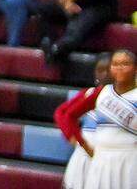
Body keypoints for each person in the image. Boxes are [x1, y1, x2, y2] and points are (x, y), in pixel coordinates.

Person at [58, 49, 136, 189]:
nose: (119, 68)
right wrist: (80, 142)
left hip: (129, 158)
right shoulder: (99, 93)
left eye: (125, 64)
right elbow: (66, 114)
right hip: (99, 157)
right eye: (115, 64)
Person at [53, 53, 113, 189]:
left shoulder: (127, 98)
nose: (104, 74)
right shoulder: (89, 93)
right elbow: (61, 113)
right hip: (86, 155)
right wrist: (75, 138)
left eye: (107, 70)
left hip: (110, 157)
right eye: (100, 70)